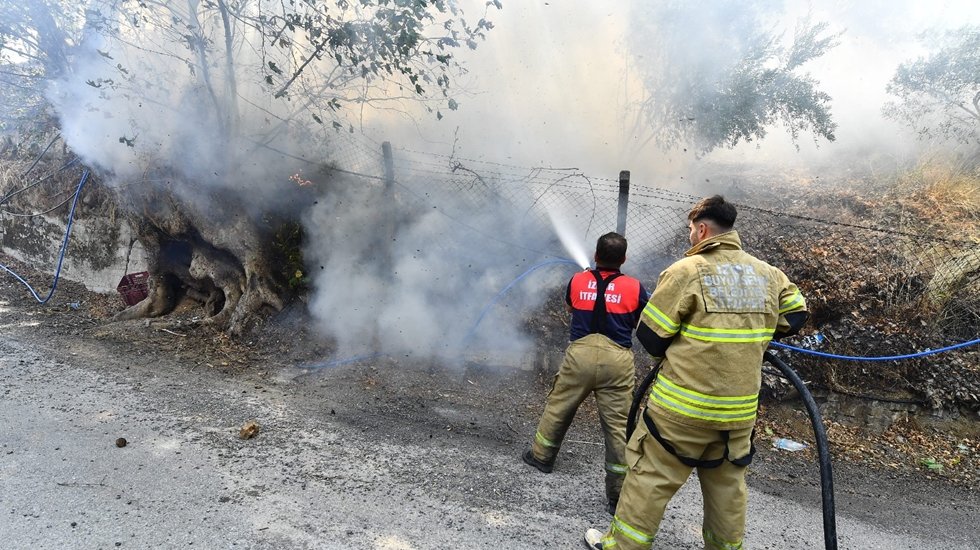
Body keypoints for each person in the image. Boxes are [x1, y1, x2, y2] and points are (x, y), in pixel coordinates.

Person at [584, 196, 808, 550]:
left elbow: (651, 338)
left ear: (703, 229)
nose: (690, 235)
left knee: (650, 479)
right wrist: (753, 336)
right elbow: (796, 314)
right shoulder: (769, 274)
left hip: (681, 412)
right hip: (737, 415)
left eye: (691, 229)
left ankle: (623, 545)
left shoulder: (686, 272)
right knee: (727, 489)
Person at [523, 232, 650, 515]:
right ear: (624, 259)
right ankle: (617, 494)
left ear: (595, 255)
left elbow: (572, 307)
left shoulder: (578, 280)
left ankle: (542, 457)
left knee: (559, 405)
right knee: (618, 426)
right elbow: (642, 317)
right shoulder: (635, 287)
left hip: (579, 354)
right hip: (617, 360)